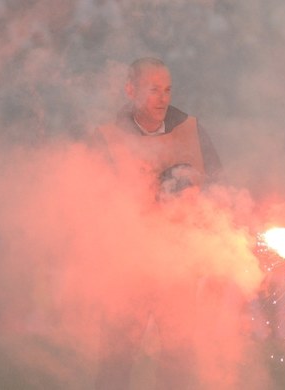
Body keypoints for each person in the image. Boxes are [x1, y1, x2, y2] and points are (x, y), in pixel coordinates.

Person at [91, 57, 221, 390]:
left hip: (177, 263)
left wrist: (190, 188)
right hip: (127, 263)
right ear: (131, 90)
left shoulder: (190, 128)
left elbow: (220, 185)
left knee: (178, 356)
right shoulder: (108, 136)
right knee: (117, 356)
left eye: (167, 90)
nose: (163, 98)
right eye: (153, 90)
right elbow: (94, 199)